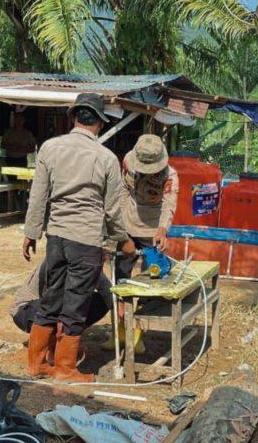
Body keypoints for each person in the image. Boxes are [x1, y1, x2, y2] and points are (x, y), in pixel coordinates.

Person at [22, 93, 136, 383]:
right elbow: (112, 210)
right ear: (100, 123)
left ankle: (36, 364)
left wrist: (31, 233)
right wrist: (123, 240)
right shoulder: (106, 158)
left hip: (57, 236)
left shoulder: (50, 148)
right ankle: (65, 368)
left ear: (73, 118)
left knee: (51, 298)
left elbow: (38, 196)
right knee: (75, 304)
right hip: (86, 239)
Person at [109, 133, 179, 354]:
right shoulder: (128, 163)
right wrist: (121, 232)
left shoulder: (170, 176)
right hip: (128, 225)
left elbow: (169, 204)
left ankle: (138, 333)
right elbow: (122, 192)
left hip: (153, 230)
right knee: (121, 280)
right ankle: (119, 332)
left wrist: (162, 230)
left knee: (150, 282)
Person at [10, 261, 112, 335]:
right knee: (69, 302)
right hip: (25, 312)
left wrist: (116, 306)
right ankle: (54, 343)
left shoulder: (89, 261)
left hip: (49, 306)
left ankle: (66, 336)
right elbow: (53, 299)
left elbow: (107, 292)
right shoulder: (59, 260)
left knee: (99, 301)